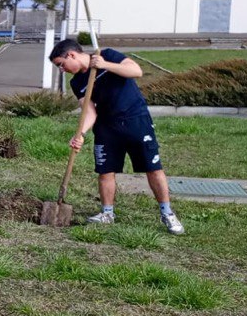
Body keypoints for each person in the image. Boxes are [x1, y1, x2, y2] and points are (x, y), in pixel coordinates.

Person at [49, 38, 184, 234]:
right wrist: (81, 133)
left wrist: (104, 65)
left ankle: (167, 213)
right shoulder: (77, 82)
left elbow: (136, 71)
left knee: (152, 168)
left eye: (61, 65)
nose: (62, 70)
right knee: (106, 171)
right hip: (106, 126)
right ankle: (107, 213)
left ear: (71, 55)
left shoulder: (108, 55)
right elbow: (89, 111)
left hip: (135, 120)